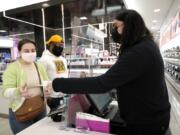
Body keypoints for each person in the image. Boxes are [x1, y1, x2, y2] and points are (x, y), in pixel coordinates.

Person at [47, 9, 171, 135]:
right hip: (151, 117)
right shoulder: (145, 46)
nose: (113, 31)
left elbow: (102, 84)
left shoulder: (138, 52)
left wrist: (58, 84)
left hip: (147, 124)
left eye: (116, 26)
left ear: (129, 25)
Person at [2, 39, 51, 134]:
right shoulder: (13, 68)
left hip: (40, 106)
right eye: (26, 51)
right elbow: (5, 91)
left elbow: (46, 82)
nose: (31, 53)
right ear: (20, 51)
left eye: (33, 50)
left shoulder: (39, 66)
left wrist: (48, 88)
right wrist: (18, 91)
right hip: (21, 109)